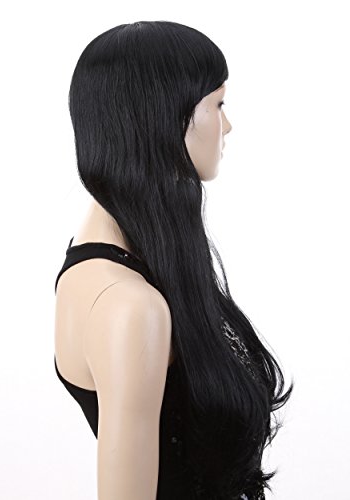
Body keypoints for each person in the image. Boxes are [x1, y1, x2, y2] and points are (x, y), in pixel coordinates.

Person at [54, 20, 294, 500]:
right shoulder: (127, 305)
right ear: (167, 117)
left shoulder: (121, 263)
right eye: (218, 104)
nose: (227, 125)